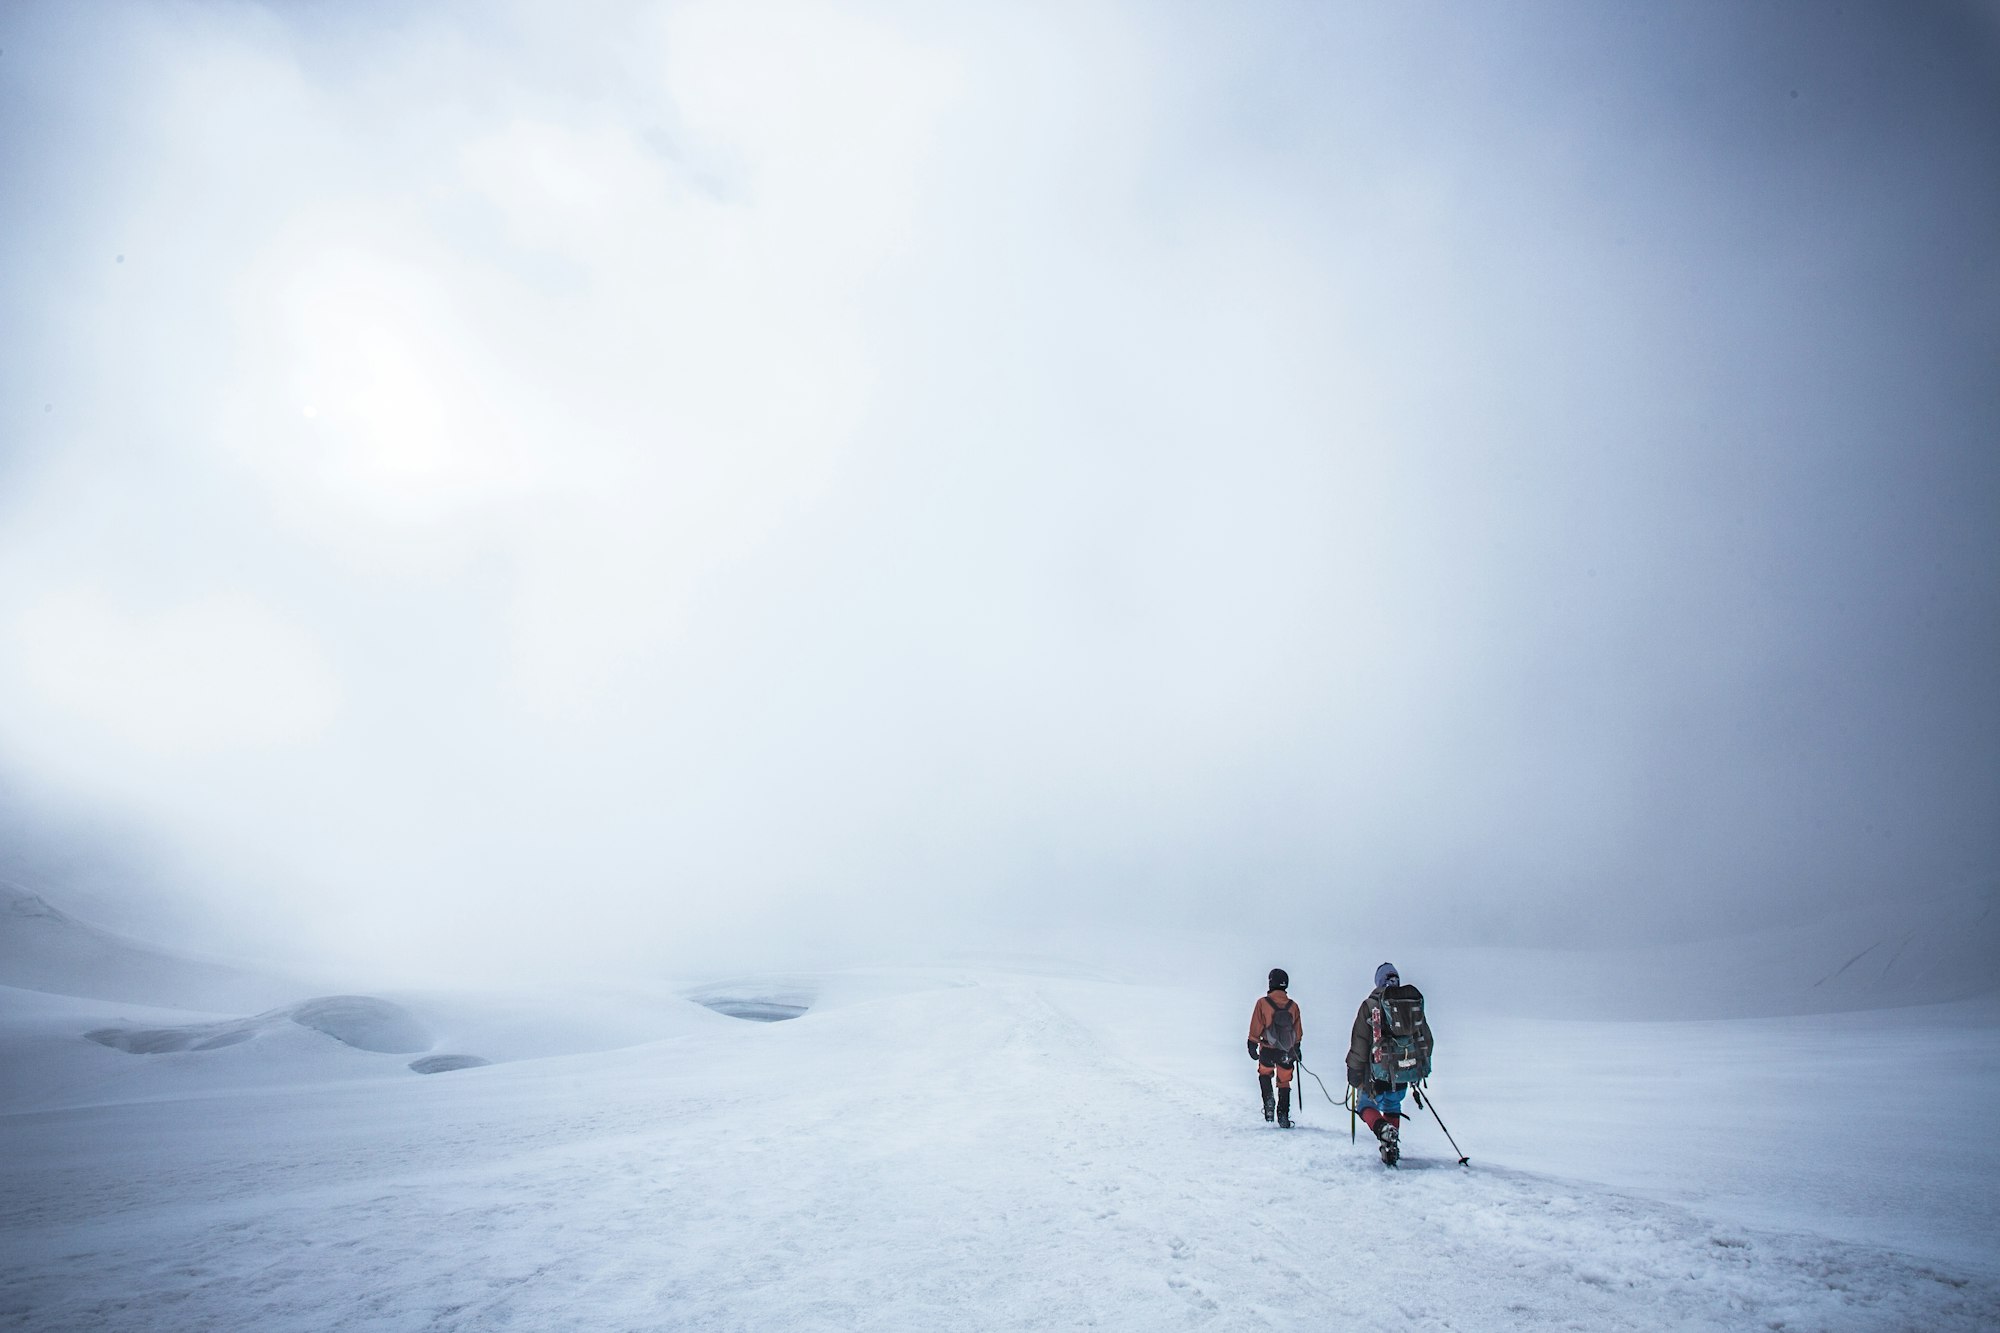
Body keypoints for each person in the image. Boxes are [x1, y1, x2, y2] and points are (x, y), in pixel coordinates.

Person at [1345, 961, 1432, 1165]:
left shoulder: (1370, 1005)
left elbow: (1360, 1040)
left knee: (1365, 1105)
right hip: (1405, 1069)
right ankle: (1391, 1147)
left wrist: (1354, 1069)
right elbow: (1426, 1038)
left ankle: (1384, 1131)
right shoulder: (1409, 1006)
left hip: (1376, 1072)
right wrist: (1419, 1066)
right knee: (1392, 1104)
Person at [1246, 967, 1303, 1128]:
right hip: (1287, 1051)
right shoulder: (1293, 1006)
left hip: (1267, 1049)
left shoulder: (1263, 1003)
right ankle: (1283, 1115)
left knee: (1264, 1074)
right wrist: (1297, 1048)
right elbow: (1297, 1031)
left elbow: (1256, 1026)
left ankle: (1269, 1104)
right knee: (1284, 1082)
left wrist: (1252, 1043)